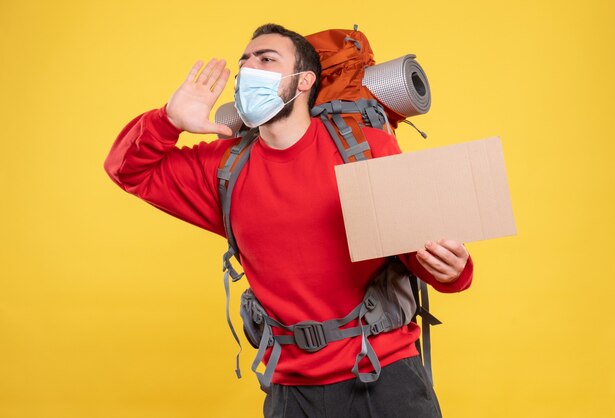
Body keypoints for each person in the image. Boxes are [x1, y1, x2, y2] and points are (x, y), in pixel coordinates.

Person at [104, 23, 473, 418]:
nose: (249, 70)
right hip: (291, 391)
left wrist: (454, 270)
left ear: (304, 81)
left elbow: (423, 253)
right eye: (244, 62)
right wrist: (168, 119)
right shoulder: (224, 168)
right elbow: (127, 170)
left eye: (266, 59)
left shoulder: (365, 150)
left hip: (384, 376)